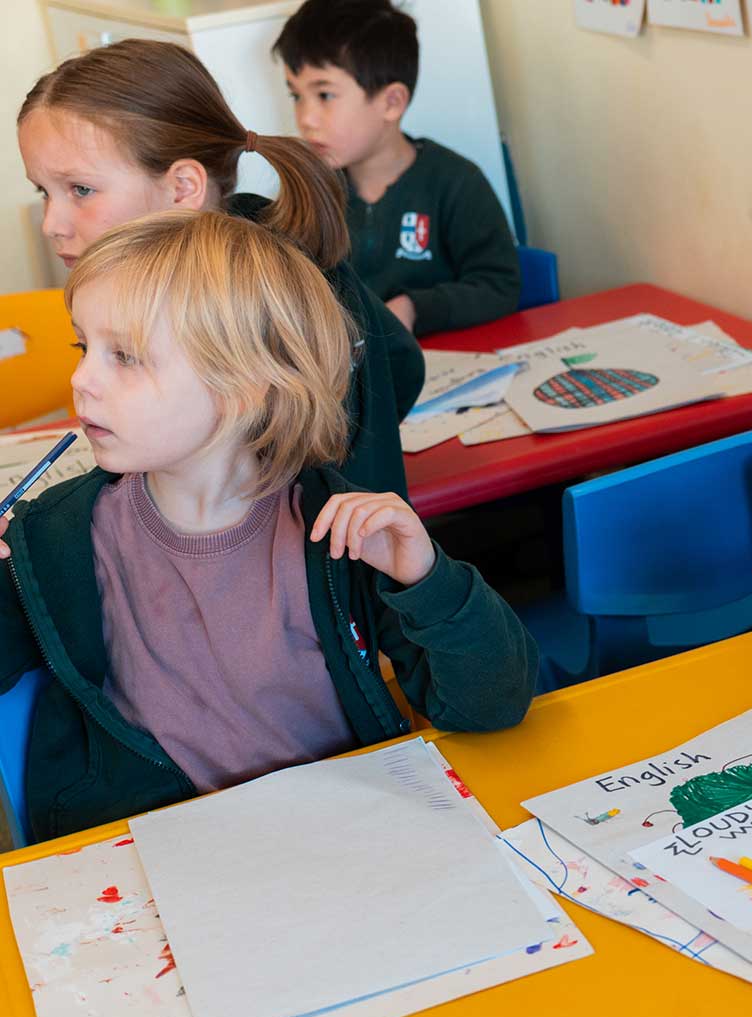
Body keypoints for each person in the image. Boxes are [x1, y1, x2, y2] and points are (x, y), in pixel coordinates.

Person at [0, 210, 536, 843]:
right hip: (165, 849)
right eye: (82, 348)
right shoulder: (54, 537)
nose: (81, 380)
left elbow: (489, 705)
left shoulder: (340, 531)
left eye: (125, 356)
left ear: (245, 387)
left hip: (347, 834)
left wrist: (427, 580)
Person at [17, 38, 424, 497]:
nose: (51, 224)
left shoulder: (250, 289)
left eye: (81, 190)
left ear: (182, 187)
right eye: (44, 191)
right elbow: (403, 362)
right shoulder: (255, 238)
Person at [276, 0, 520, 335]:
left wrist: (415, 308)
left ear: (391, 102)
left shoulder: (456, 182)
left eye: (325, 95)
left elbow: (500, 286)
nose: (306, 119)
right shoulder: (308, 192)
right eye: (296, 96)